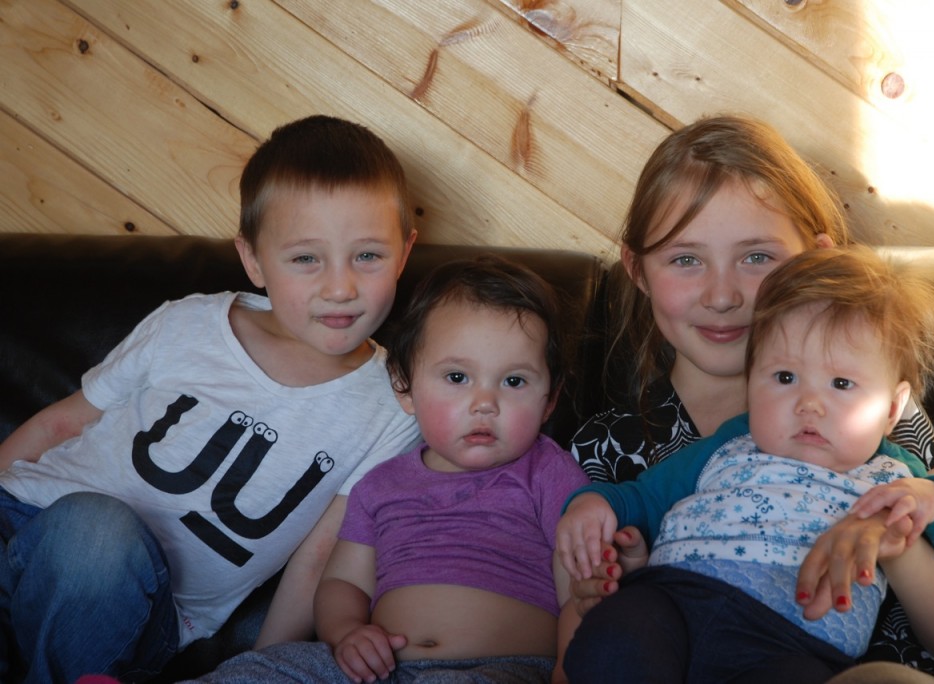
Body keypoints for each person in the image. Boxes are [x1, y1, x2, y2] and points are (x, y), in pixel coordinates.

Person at [567, 114, 934, 681]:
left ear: (814, 263)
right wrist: (605, 574)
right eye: (685, 259)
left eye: (757, 257)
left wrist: (894, 537)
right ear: (638, 270)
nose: (724, 295)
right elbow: (574, 641)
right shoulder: (607, 448)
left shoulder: (880, 428)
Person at [0, 115, 421, 682]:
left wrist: (257, 670)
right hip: (20, 519)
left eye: (367, 256)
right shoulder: (190, 322)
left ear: (404, 252)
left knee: (97, 531)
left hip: (135, 609)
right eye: (305, 259)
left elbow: (319, 556)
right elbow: (64, 422)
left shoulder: (392, 406)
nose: (340, 287)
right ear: (253, 260)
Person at [184, 255, 591, 683]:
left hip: (502, 668)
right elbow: (344, 583)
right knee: (260, 671)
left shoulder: (550, 474)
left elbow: (581, 585)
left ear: (550, 400)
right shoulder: (380, 485)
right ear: (405, 386)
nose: (484, 403)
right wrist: (347, 633)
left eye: (514, 381)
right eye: (457, 377)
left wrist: (570, 665)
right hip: (375, 669)